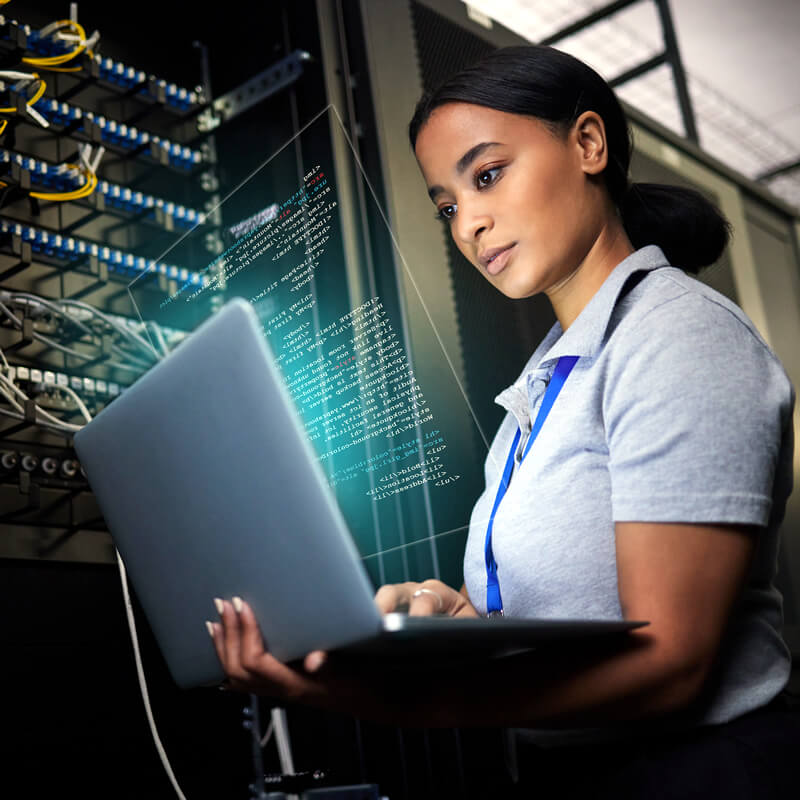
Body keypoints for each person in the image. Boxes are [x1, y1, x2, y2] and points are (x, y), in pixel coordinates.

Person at [209, 46, 799, 797]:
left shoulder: (679, 336)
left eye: (487, 175)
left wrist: (416, 702)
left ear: (589, 144)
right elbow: (572, 615)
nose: (469, 225)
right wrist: (466, 619)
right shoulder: (543, 387)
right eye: (448, 205)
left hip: (706, 776)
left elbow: (671, 664)